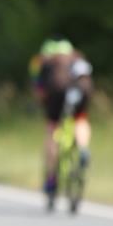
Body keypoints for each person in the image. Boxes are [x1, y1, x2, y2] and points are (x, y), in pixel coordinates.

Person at [29, 36, 93, 209]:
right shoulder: (78, 57)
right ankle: (83, 148)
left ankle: (51, 179)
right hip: (82, 89)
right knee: (80, 119)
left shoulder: (47, 62)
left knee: (52, 128)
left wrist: (42, 104)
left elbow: (40, 92)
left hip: (57, 91)